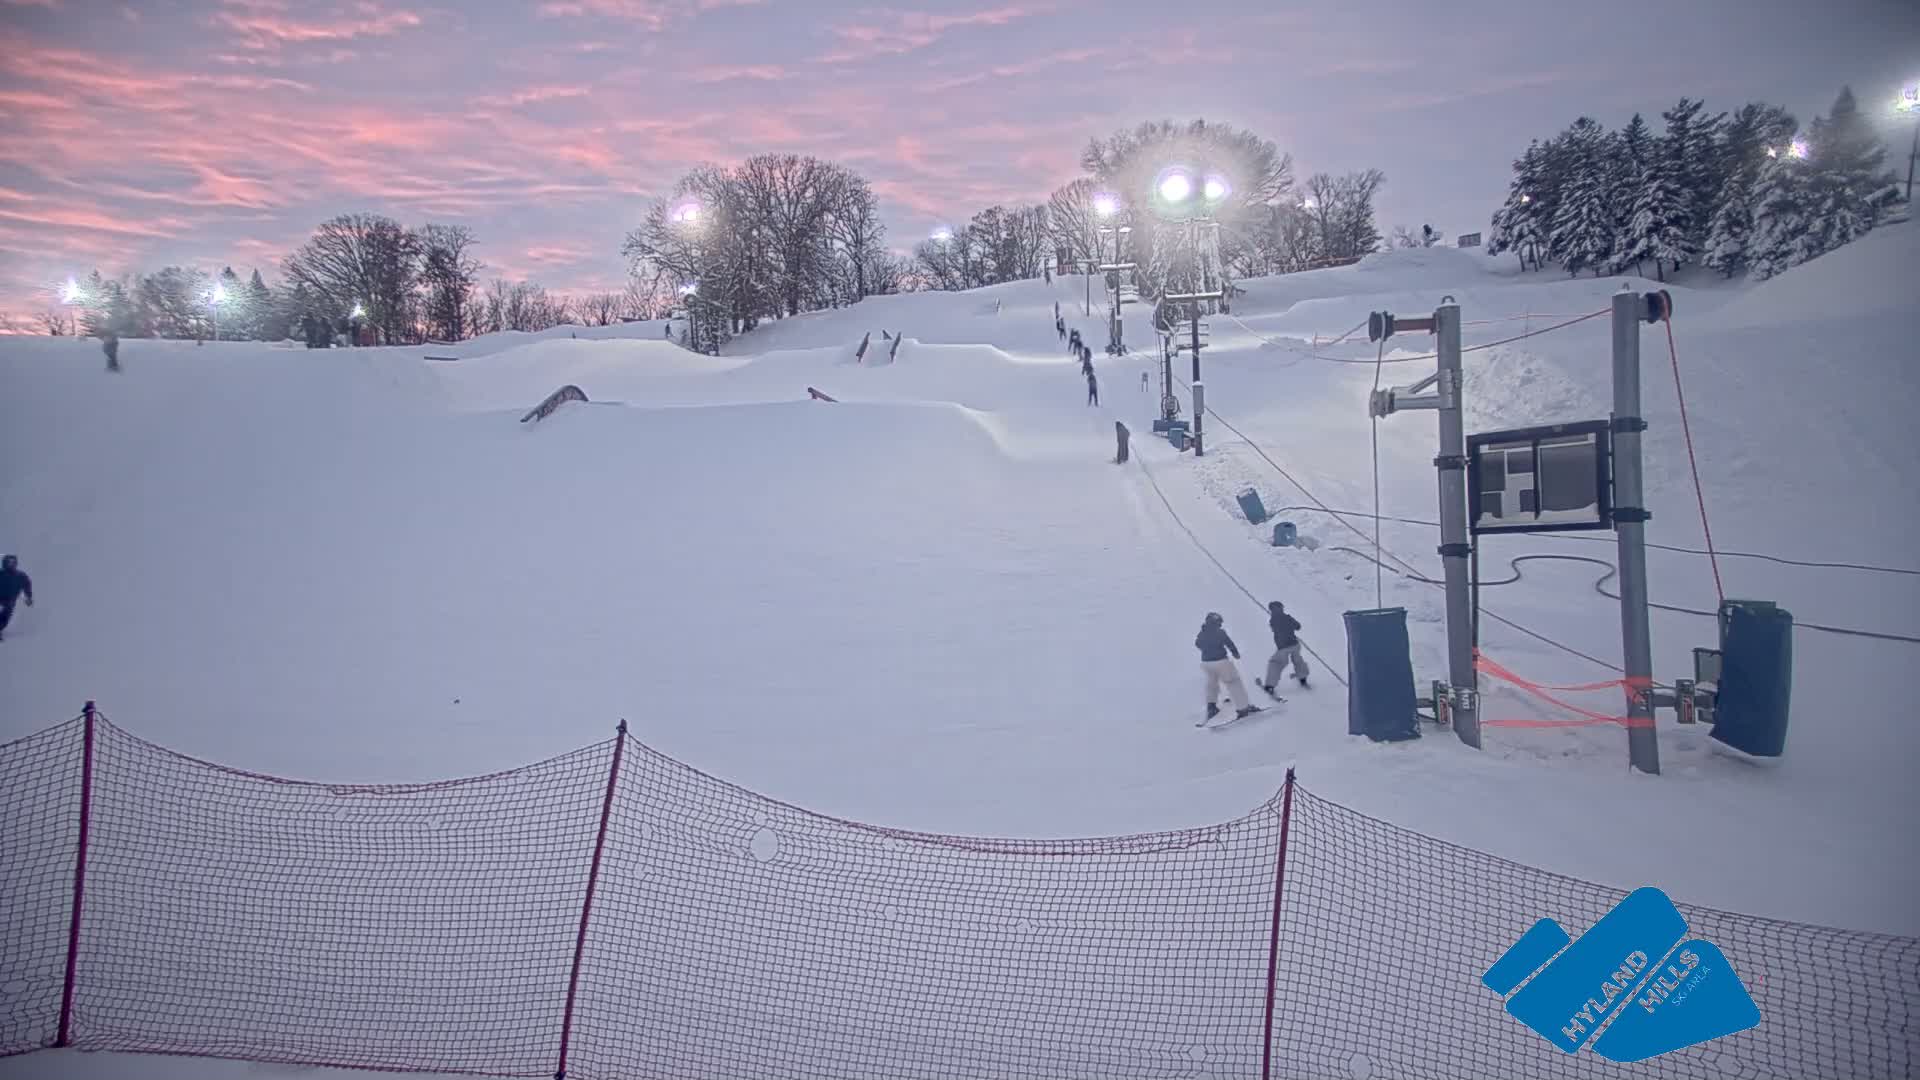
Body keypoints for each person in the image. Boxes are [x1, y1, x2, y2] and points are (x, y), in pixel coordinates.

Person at [1194, 612, 1258, 721]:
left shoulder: (1202, 633)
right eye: (1219, 622)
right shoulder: (1220, 632)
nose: (1220, 625)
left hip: (1206, 663)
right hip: (1221, 661)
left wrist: (1208, 649)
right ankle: (1243, 708)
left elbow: (1198, 644)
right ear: (1216, 622)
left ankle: (1211, 707)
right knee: (1234, 683)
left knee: (1212, 684)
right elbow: (1229, 643)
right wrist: (1235, 653)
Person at [1260, 601, 1310, 694]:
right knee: (1298, 661)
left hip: (1283, 647)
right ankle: (1303, 678)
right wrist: (1290, 623)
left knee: (1275, 664)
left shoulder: (1272, 620)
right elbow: (1298, 626)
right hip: (1294, 644)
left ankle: (1270, 685)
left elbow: (1274, 628)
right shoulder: (1287, 618)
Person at [0, 555, 32, 642]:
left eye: (12, 562)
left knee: (5, 617)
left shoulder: (20, 576)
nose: (11, 564)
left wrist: (28, 597)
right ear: (4, 563)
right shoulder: (1, 574)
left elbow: (27, 585)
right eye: (8, 562)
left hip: (10, 600)